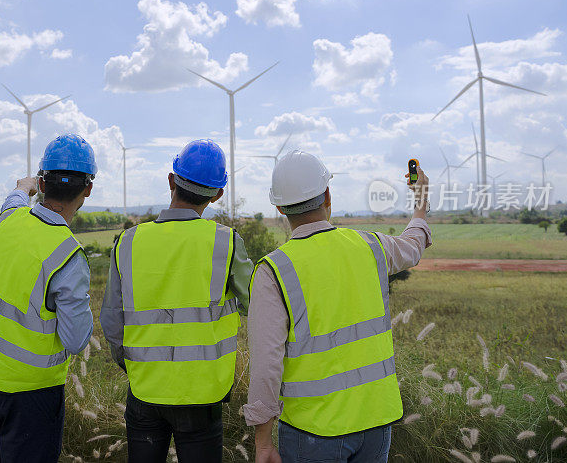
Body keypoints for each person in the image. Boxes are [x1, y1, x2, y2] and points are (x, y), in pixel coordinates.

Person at [245, 151, 432, 463]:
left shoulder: (273, 271)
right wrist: (421, 199)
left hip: (313, 430)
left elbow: (266, 365)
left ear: (278, 207)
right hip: (376, 420)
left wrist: (263, 441)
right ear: (327, 195)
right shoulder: (370, 246)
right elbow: (413, 247)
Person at [101, 139, 254, 463]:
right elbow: (256, 303)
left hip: (144, 390)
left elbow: (111, 320)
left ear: (171, 180)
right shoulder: (226, 242)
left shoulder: (128, 242)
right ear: (217, 195)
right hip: (204, 393)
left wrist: (133, 365)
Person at [0, 134, 97, 463]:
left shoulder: (9, 221)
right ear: (88, 189)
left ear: (42, 183)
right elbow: (75, 340)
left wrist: (23, 187)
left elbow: (12, 200)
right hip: (33, 395)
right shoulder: (68, 255)